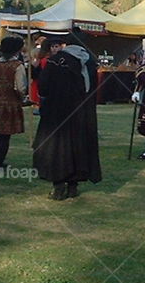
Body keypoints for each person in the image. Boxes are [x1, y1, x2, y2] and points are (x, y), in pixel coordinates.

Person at [33, 33, 101, 200]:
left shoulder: (56, 60)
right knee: (78, 147)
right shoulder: (90, 62)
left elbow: (44, 87)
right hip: (82, 113)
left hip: (58, 112)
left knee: (58, 148)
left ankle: (58, 187)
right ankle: (73, 186)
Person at [0, 37, 28, 171]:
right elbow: (20, 87)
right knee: (5, 135)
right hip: (10, 103)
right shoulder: (17, 66)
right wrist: (23, 99)